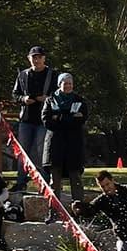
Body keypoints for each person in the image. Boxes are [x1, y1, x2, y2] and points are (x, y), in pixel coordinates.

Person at [40, 72, 88, 201]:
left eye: (70, 83)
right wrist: (71, 117)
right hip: (55, 146)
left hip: (74, 146)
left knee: (76, 179)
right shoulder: (50, 100)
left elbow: (82, 119)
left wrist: (59, 117)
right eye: (65, 83)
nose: (68, 86)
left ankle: (79, 210)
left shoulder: (79, 100)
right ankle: (54, 211)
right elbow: (47, 121)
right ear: (59, 84)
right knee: (54, 181)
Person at [11, 46, 54, 171]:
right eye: (34, 57)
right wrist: (24, 99)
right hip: (26, 118)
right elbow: (15, 94)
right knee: (22, 151)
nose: (37, 60)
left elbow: (58, 94)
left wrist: (47, 98)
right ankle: (21, 182)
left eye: (39, 57)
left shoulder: (52, 75)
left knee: (42, 150)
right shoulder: (23, 75)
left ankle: (44, 182)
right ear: (29, 59)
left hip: (44, 119)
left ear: (44, 58)